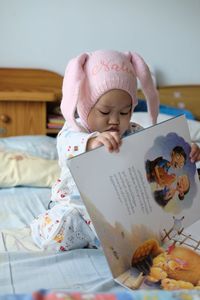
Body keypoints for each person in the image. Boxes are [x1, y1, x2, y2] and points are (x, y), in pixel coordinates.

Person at [30, 50, 200, 252]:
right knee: (59, 232)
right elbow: (66, 145)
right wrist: (91, 143)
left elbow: (157, 154)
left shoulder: (134, 132)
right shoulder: (75, 131)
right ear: (85, 106)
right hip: (78, 208)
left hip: (120, 213)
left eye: (124, 112)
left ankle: (109, 243)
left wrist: (186, 152)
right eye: (104, 112)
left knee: (153, 230)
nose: (114, 120)